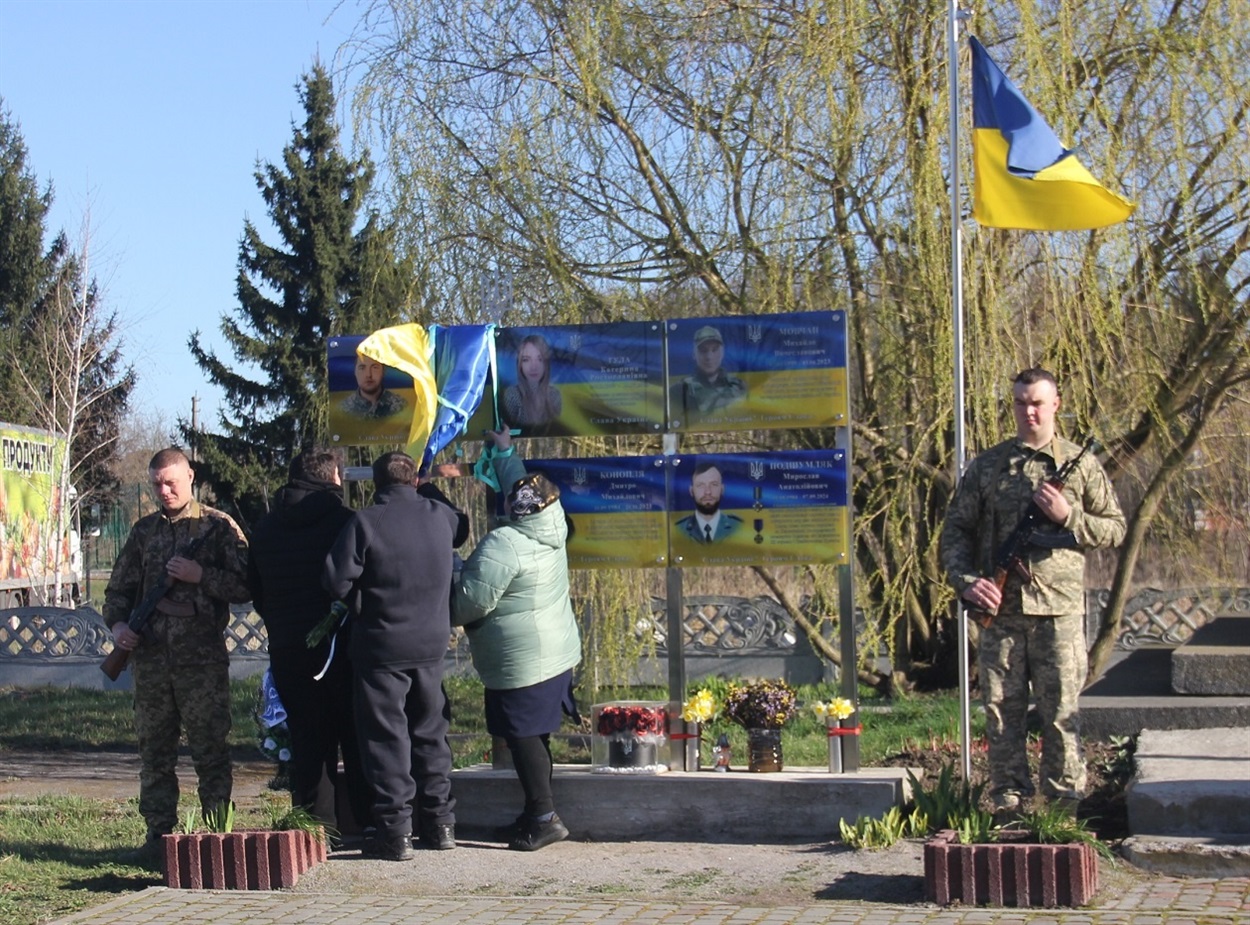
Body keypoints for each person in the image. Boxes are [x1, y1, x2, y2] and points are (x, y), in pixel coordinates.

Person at [940, 368, 1125, 814]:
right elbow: (955, 533)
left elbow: (1116, 529)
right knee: (1002, 715)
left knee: (1061, 713)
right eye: (1021, 402)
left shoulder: (1080, 465)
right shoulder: (988, 466)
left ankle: (1064, 809)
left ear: (1055, 404)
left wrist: (1068, 517)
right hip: (1000, 613)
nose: (1029, 411)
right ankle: (1009, 803)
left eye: (1038, 402)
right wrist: (968, 584)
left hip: (1057, 614)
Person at [103, 448, 250, 856]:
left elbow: (248, 586)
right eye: (156, 484)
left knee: (210, 750)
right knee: (154, 751)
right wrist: (118, 628)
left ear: (191, 476)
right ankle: (158, 836)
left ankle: (219, 837)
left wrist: (200, 576)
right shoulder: (143, 532)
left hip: (201, 662)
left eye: (172, 482)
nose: (164, 491)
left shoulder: (218, 527)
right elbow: (117, 592)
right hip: (151, 663)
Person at [323, 451, 461, 860]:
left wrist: (361, 603)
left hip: (381, 647)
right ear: (414, 480)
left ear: (376, 483)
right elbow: (462, 526)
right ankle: (440, 824)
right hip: (432, 644)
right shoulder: (440, 516)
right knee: (431, 733)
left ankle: (395, 830)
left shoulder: (366, 522)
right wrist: (432, 484)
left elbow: (334, 580)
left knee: (387, 740)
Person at [451, 428, 581, 852]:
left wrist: (446, 586)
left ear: (513, 509)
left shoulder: (504, 545)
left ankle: (544, 817)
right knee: (535, 735)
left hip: (521, 662)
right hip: (554, 653)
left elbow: (469, 603)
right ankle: (534, 812)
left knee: (523, 737)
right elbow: (521, 486)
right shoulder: (552, 525)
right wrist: (506, 452)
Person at [247, 447, 373, 842]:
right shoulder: (348, 523)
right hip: (343, 647)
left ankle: (316, 833)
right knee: (355, 736)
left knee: (307, 740)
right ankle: (367, 825)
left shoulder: (266, 528)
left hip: (288, 650)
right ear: (333, 478)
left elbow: (256, 591)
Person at [669, 325, 747, 424]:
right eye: (703, 351)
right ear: (694, 354)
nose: (709, 357)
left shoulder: (739, 387)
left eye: (714, 350)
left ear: (723, 353)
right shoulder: (679, 390)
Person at [501, 334, 562, 429]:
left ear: (546, 363)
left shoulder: (554, 395)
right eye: (526, 360)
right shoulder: (512, 395)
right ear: (520, 364)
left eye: (540, 359)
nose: (534, 366)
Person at [675, 462, 743, 544]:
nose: (708, 492)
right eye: (700, 485)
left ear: (722, 489)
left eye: (714, 484)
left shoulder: (738, 526)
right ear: (691, 491)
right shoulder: (679, 528)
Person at [339, 354, 408, 419]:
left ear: (383, 371)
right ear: (355, 372)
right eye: (362, 368)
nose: (368, 375)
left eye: (375, 367)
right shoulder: (344, 408)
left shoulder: (401, 405)